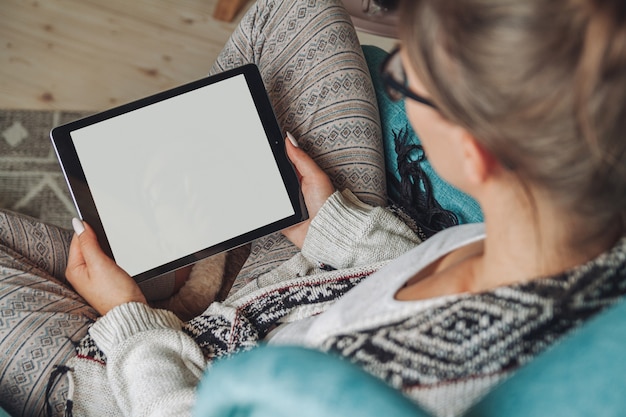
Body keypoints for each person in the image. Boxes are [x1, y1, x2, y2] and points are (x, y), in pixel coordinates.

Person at [1, 0, 625, 416]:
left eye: (408, 81)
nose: (395, 76)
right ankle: (185, 270)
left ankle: (171, 282)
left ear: (475, 150)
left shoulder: (386, 393)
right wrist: (336, 226)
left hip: (143, 381)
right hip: (309, 279)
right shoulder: (584, 246)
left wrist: (133, 319)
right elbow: (425, 292)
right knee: (296, 6)